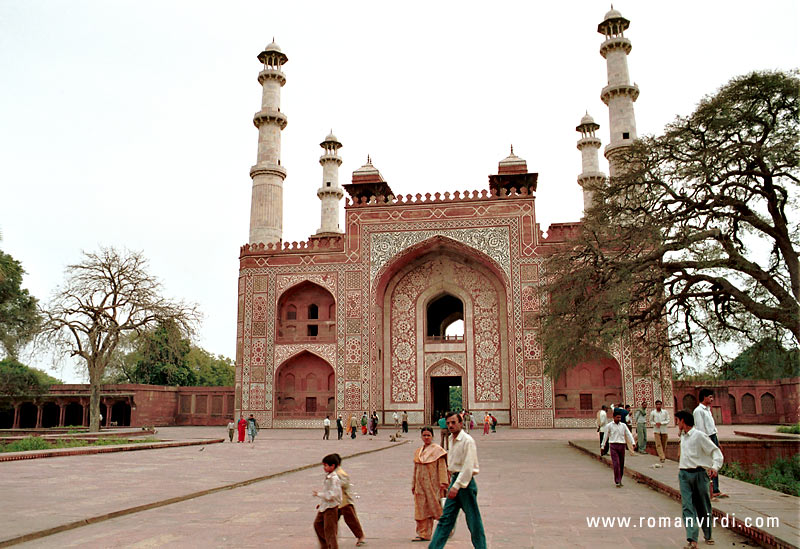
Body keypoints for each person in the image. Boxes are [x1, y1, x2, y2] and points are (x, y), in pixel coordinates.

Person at [429, 411, 486, 549]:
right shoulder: (451, 439)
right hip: (455, 482)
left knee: (473, 521)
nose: (450, 425)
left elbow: (468, 466)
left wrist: (457, 486)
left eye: (453, 422)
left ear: (461, 423)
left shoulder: (467, 441)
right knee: (445, 520)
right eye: (448, 423)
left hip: (465, 485)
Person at [675, 410, 723, 548]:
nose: (677, 423)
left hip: (700, 474)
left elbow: (715, 451)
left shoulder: (699, 436)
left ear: (683, 421)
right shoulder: (683, 436)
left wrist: (715, 467)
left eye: (678, 420)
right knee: (687, 507)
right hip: (684, 474)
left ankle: (708, 534)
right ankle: (692, 539)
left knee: (703, 506)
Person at [412, 426, 449, 542]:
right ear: (421, 436)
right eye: (424, 435)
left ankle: (447, 528)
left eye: (428, 435)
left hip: (433, 485)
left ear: (432, 436)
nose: (426, 437)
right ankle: (423, 533)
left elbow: (442, 468)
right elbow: (415, 469)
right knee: (421, 509)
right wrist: (413, 484)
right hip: (420, 485)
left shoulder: (437, 451)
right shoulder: (418, 452)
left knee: (436, 509)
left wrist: (443, 483)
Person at [693, 389, 726, 498]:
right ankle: (711, 489)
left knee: (715, 462)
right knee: (709, 463)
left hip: (712, 437)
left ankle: (715, 489)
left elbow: (712, 428)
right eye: (710, 397)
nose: (712, 399)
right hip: (707, 438)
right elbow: (700, 429)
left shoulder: (707, 410)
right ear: (704, 397)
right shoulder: (698, 411)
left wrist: (717, 441)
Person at [331, 453, 366, 547]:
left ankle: (360, 536)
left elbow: (344, 484)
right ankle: (330, 539)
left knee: (351, 520)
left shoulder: (340, 474)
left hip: (345, 502)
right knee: (331, 522)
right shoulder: (332, 474)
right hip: (335, 503)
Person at [313, 454, 342, 549]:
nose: (324, 468)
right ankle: (325, 545)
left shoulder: (334, 479)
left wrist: (319, 494)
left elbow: (332, 494)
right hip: (325, 506)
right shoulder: (329, 477)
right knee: (318, 524)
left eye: (326, 465)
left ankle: (332, 546)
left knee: (330, 531)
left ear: (332, 466)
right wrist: (321, 503)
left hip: (331, 507)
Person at [601, 411, 635, 487]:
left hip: (622, 445)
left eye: (620, 417)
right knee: (616, 463)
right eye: (617, 417)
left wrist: (633, 442)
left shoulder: (623, 425)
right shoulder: (609, 426)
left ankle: (620, 479)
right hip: (613, 445)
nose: (619, 419)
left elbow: (628, 434)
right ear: (613, 417)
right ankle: (617, 480)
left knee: (621, 464)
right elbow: (605, 436)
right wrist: (602, 445)